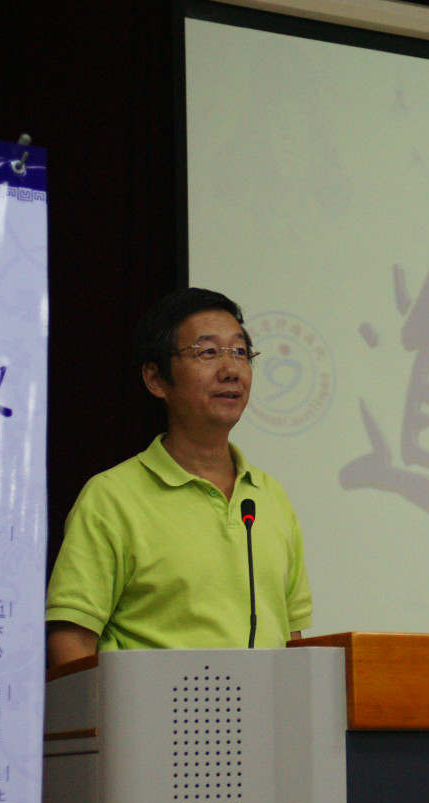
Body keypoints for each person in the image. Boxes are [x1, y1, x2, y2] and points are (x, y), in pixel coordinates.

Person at [44, 288, 312, 672]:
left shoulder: (270, 497)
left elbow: (292, 637)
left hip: (265, 711)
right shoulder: (111, 498)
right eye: (208, 352)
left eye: (240, 352)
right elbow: (70, 639)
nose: (231, 370)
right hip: (157, 711)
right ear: (155, 378)